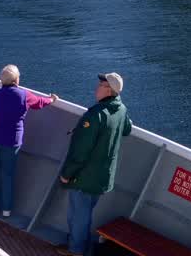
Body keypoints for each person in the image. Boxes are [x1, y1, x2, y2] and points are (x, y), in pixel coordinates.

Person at [56, 73, 133, 256]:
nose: (96, 88)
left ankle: (76, 250)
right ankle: (82, 245)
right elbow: (128, 129)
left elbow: (80, 150)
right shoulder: (121, 109)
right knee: (86, 212)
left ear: (109, 90)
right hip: (102, 177)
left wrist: (67, 173)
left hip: (85, 177)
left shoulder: (96, 115)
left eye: (100, 85)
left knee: (78, 215)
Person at [0, 64, 58, 216]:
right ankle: (6, 209)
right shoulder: (24, 95)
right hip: (11, 142)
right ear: (16, 80)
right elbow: (40, 103)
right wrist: (52, 99)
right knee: (7, 175)